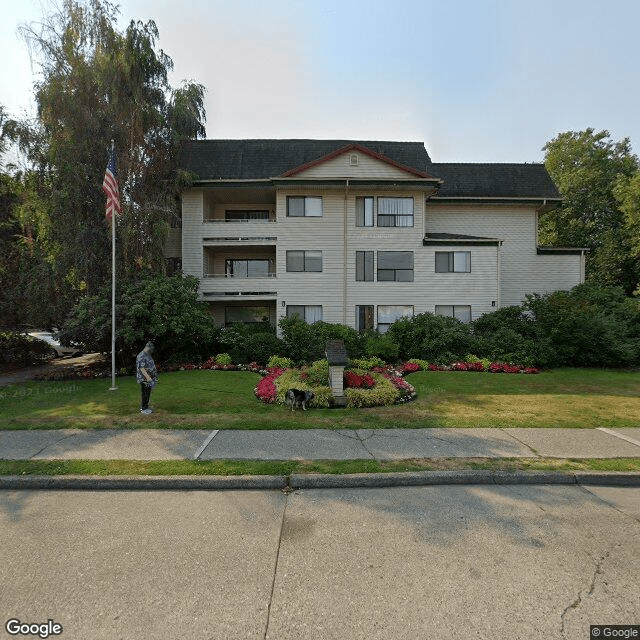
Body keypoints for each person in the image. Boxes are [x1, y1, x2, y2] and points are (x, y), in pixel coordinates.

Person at [136, 341, 158, 414]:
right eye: (150, 349)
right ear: (147, 348)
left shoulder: (147, 354)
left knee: (148, 393)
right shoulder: (141, 356)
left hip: (149, 378)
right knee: (145, 393)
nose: (151, 351)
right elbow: (142, 369)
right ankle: (143, 408)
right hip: (145, 379)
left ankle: (146, 406)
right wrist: (149, 379)